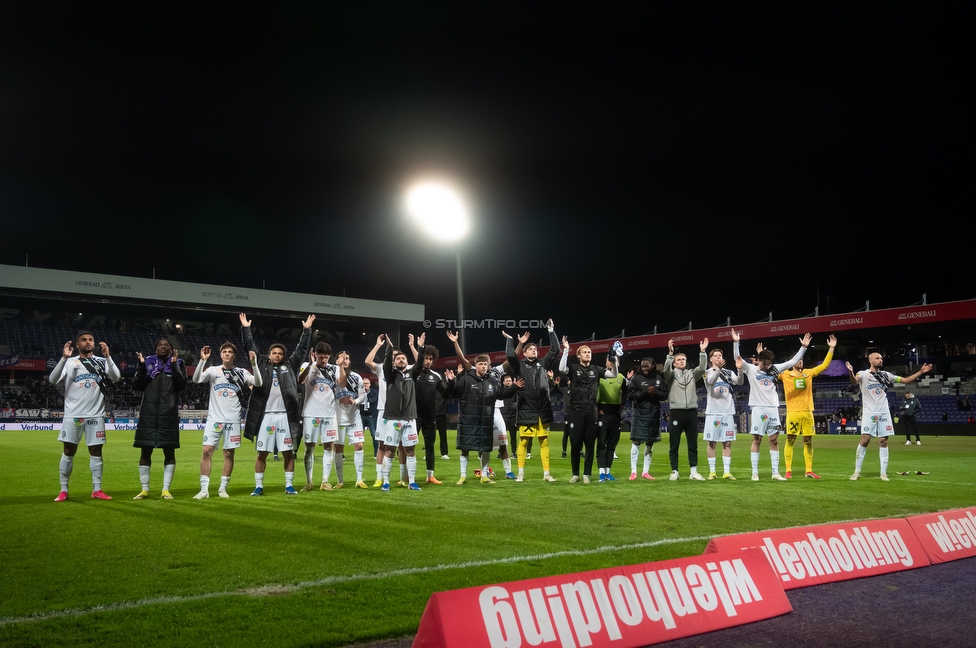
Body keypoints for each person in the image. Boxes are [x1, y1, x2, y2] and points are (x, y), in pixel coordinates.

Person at [240, 312, 313, 495]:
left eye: (280, 353)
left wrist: (307, 331)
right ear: (269, 354)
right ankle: (259, 486)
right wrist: (246, 329)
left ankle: (288, 485)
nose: (277, 355)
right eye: (274, 353)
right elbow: (249, 346)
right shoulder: (261, 364)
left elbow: (302, 349)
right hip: (265, 416)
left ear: (283, 356)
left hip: (285, 417)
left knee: (288, 452)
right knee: (262, 453)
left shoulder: (290, 366)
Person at [48, 331, 121, 501]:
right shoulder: (70, 362)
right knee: (68, 450)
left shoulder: (102, 362)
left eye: (90, 340)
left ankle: (97, 489)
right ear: (77, 344)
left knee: (96, 451)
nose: (88, 342)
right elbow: (52, 380)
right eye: (84, 340)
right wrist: (63, 358)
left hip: (95, 415)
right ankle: (64, 490)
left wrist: (109, 357)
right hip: (73, 415)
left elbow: (116, 378)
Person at [734, 331, 811, 481]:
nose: (768, 366)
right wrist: (736, 343)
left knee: (774, 440)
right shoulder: (751, 369)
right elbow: (737, 359)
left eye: (769, 363)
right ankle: (755, 472)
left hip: (773, 409)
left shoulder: (775, 369)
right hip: (758, 408)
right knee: (757, 439)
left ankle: (775, 473)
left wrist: (803, 347)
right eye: (765, 363)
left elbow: (792, 361)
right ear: (759, 360)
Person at [191, 342, 262, 499]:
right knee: (206, 451)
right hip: (214, 419)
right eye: (225, 351)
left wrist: (254, 365)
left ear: (234, 355)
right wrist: (202, 360)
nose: (227, 354)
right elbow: (196, 379)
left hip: (233, 421)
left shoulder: (241, 372)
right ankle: (204, 489)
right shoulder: (213, 371)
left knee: (229, 454)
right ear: (221, 354)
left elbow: (258, 383)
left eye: (230, 351)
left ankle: (223, 488)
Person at [846, 354, 932, 481]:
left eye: (881, 358)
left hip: (884, 412)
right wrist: (850, 372)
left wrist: (920, 372)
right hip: (870, 412)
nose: (880, 360)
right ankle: (857, 471)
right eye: (877, 358)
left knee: (883, 441)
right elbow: (854, 381)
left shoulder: (887, 375)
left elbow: (906, 381)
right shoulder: (863, 374)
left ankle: (883, 473)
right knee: (865, 439)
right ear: (870, 360)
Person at [445, 355, 522, 484]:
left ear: (488, 365)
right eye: (480, 364)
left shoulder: (492, 381)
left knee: (486, 448)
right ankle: (463, 476)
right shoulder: (466, 379)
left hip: (486, 421)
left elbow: (502, 395)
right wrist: (452, 381)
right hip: (468, 420)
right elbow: (453, 393)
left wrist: (514, 387)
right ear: (476, 365)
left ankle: (484, 476)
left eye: (485, 364)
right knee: (465, 448)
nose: (483, 366)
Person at [506, 319, 561, 483]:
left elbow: (555, 349)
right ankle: (521, 473)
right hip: (526, 408)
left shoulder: (543, 364)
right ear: (524, 352)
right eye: (530, 349)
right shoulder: (519, 366)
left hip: (542, 410)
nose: (534, 351)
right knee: (523, 440)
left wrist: (551, 331)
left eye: (535, 349)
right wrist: (512, 341)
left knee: (544, 441)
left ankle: (546, 474)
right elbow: (509, 356)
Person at [133, 338, 188, 499]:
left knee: (169, 451)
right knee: (145, 450)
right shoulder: (148, 363)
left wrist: (174, 365)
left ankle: (165, 489)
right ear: (155, 349)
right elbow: (137, 386)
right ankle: (144, 489)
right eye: (160, 345)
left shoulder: (179, 363)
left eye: (166, 345)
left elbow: (181, 386)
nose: (163, 347)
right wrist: (141, 366)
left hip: (168, 414)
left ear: (171, 349)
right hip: (148, 413)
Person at [559, 338, 618, 484]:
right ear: (579, 355)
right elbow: (561, 369)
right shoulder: (573, 368)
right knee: (575, 443)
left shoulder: (596, 370)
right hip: (576, 411)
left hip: (592, 411)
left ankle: (586, 474)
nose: (587, 354)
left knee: (590, 443)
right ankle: (575, 473)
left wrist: (613, 361)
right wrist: (566, 350)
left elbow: (614, 375)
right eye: (584, 352)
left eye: (589, 352)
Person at [778, 334, 836, 478]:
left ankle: (809, 470)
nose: (801, 362)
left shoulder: (808, 373)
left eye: (802, 360)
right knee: (790, 439)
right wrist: (761, 356)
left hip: (808, 412)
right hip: (793, 412)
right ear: (793, 362)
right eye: (799, 360)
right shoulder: (785, 374)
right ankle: (788, 470)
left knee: (808, 441)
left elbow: (824, 366)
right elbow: (770, 371)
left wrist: (831, 349)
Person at [378, 338, 424, 491]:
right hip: (393, 419)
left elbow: (420, 362)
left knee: (410, 451)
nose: (401, 360)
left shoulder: (412, 374)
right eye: (398, 358)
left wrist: (420, 346)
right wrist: (389, 349)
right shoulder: (390, 374)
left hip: (410, 418)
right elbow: (385, 363)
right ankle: (386, 482)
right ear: (394, 362)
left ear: (407, 361)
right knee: (389, 450)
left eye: (403, 358)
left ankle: (411, 482)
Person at [663, 337, 709, 481]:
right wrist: (670, 355)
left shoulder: (691, 374)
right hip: (676, 412)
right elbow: (665, 370)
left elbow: (702, 369)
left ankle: (693, 471)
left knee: (693, 443)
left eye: (684, 359)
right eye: (679, 360)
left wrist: (702, 352)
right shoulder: (671, 375)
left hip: (691, 413)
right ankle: (674, 471)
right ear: (675, 363)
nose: (682, 361)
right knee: (674, 443)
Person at [297, 342, 339, 491]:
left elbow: (343, 383)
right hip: (311, 414)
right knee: (309, 448)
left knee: (329, 447)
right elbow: (300, 381)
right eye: (321, 357)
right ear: (315, 355)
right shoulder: (307, 366)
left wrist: (343, 367)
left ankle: (325, 481)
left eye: (326, 357)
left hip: (329, 414)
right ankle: (309, 481)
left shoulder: (334, 369)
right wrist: (310, 364)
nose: (324, 360)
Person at [409, 333, 448, 485]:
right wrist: (417, 347)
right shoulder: (413, 373)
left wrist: (451, 382)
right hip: (413, 416)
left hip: (430, 417)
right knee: (409, 446)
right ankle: (406, 475)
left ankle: (430, 476)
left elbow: (445, 394)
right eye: (426, 358)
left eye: (431, 359)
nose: (428, 361)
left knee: (430, 446)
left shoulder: (436, 376)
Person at [702, 346, 743, 480]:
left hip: (727, 412)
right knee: (712, 442)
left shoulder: (729, 373)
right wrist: (718, 369)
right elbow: (710, 381)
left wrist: (740, 369)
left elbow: (740, 382)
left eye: (720, 355)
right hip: (713, 413)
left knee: (727, 443)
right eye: (716, 355)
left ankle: (726, 472)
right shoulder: (706, 372)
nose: (719, 357)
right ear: (711, 359)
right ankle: (712, 472)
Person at [627, 358, 669, 480]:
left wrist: (655, 392)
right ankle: (633, 472)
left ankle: (645, 472)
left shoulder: (659, 378)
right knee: (636, 442)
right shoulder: (636, 378)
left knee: (650, 443)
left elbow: (665, 395)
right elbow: (631, 395)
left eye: (647, 366)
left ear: (653, 366)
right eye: (642, 367)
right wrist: (646, 391)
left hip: (653, 415)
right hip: (639, 415)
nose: (644, 369)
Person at [334, 350, 368, 488]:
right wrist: (339, 400)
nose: (345, 360)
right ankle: (340, 481)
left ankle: (359, 479)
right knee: (338, 448)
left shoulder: (357, 377)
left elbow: (362, 395)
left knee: (359, 445)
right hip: (338, 417)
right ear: (337, 361)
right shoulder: (333, 376)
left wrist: (356, 401)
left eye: (347, 358)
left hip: (354, 416)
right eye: (342, 358)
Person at [597, 348, 627, 482]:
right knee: (601, 443)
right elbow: (592, 392)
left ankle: (608, 472)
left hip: (616, 413)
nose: (611, 363)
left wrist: (623, 404)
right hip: (603, 411)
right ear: (606, 363)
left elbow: (626, 392)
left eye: (614, 361)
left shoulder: (621, 377)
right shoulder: (601, 376)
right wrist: (596, 407)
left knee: (612, 444)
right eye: (609, 361)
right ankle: (601, 473)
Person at [360, 376, 379, 457]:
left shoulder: (374, 392)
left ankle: (376, 453)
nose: (365, 385)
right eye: (363, 384)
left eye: (367, 383)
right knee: (359, 436)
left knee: (374, 435)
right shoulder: (359, 393)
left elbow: (372, 400)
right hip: (361, 415)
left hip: (371, 416)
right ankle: (359, 453)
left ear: (370, 384)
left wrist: (365, 394)